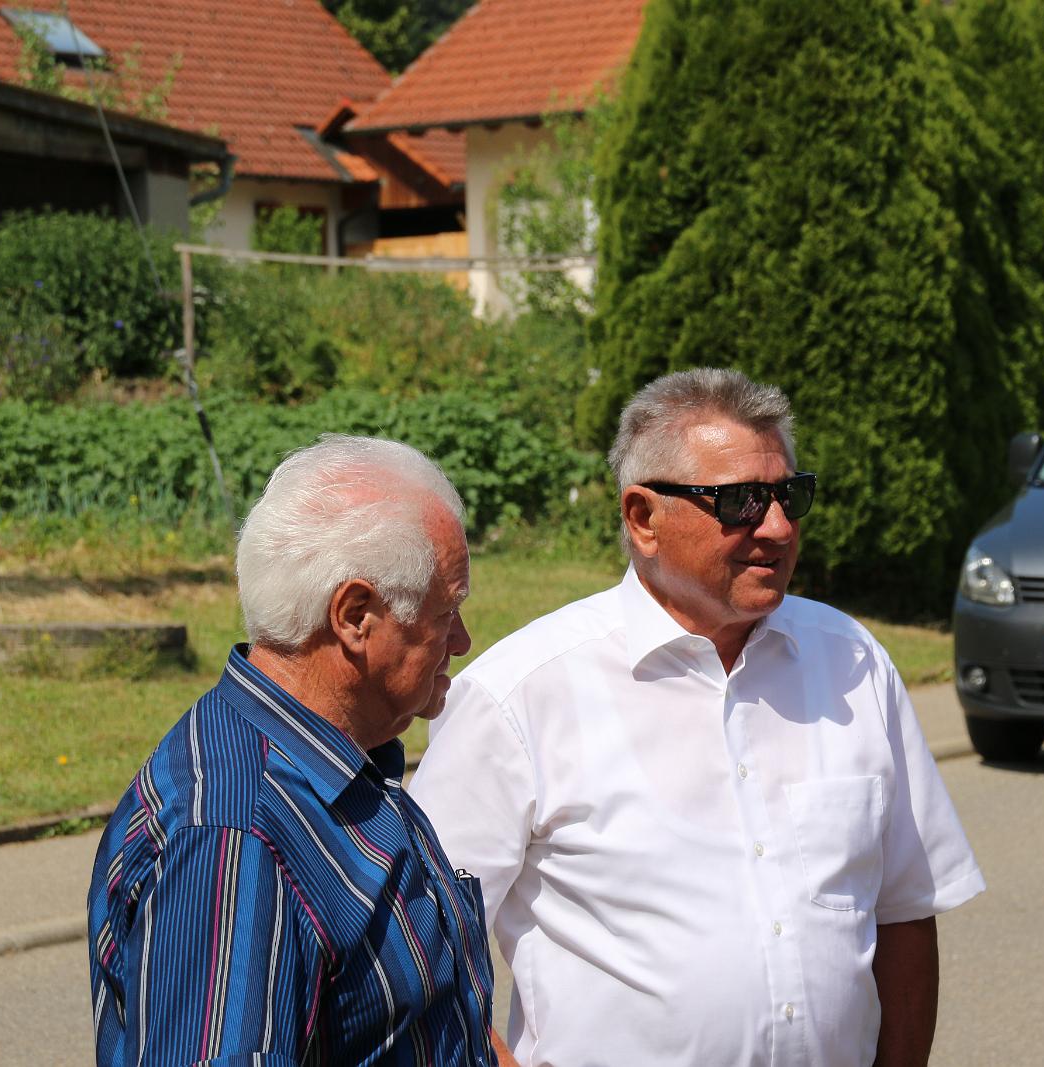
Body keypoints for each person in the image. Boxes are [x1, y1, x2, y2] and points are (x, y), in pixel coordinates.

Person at [409, 368, 985, 1067]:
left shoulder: (852, 662)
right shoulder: (519, 696)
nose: (777, 527)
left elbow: (904, 910)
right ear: (643, 518)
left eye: (789, 496)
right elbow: (419, 955)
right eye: (741, 502)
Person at [87, 435, 514, 1067]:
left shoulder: (344, 763)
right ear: (356, 616)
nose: (462, 639)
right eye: (446, 610)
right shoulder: (233, 841)